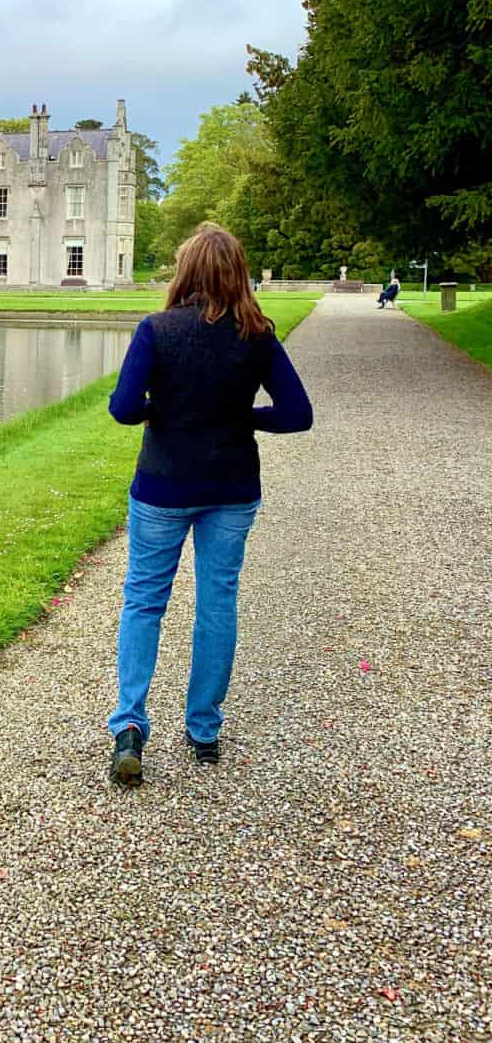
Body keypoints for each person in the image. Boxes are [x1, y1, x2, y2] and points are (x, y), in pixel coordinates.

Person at [105, 224, 313, 787]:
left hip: (164, 485)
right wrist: (244, 417)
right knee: (217, 603)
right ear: (238, 272)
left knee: (145, 601)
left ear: (186, 271)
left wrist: (160, 409)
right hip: (231, 486)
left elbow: (123, 409)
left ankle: (128, 727)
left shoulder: (157, 329)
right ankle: (203, 731)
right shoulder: (258, 334)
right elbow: (297, 415)